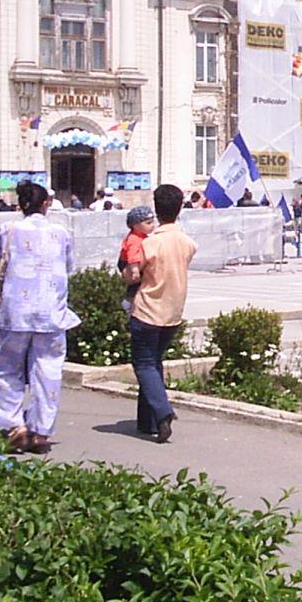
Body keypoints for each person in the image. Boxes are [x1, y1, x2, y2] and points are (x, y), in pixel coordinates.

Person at [0, 180, 78, 455]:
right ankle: (41, 432)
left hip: (13, 313)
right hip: (51, 312)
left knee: (6, 368)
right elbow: (69, 267)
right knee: (48, 370)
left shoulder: (7, 230)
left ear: (20, 204)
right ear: (46, 203)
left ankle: (14, 428)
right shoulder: (61, 232)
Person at [128, 185, 196, 443]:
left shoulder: (151, 243)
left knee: (143, 363)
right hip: (173, 311)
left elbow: (133, 274)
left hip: (147, 309)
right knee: (154, 363)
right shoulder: (187, 242)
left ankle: (163, 412)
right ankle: (148, 421)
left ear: (156, 209)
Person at [118, 205, 157, 313]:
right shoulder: (134, 239)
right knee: (134, 288)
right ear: (136, 226)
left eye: (152, 222)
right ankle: (127, 306)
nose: (152, 226)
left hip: (136, 264)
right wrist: (135, 270)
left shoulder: (142, 236)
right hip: (130, 264)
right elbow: (132, 255)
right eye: (148, 223)